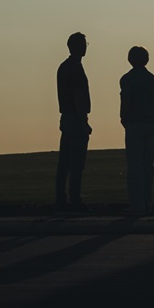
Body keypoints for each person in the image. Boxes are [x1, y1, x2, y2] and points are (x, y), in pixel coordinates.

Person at [118, 45, 154, 216]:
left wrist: (124, 119)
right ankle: (147, 203)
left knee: (134, 165)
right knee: (148, 165)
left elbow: (126, 101)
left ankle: (137, 204)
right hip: (151, 124)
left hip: (134, 125)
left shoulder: (127, 79)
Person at [54, 32, 91, 213]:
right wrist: (84, 121)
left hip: (67, 118)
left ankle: (61, 200)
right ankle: (75, 201)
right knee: (76, 163)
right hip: (75, 118)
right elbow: (78, 95)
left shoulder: (64, 67)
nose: (85, 47)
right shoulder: (75, 68)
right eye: (83, 44)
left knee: (64, 163)